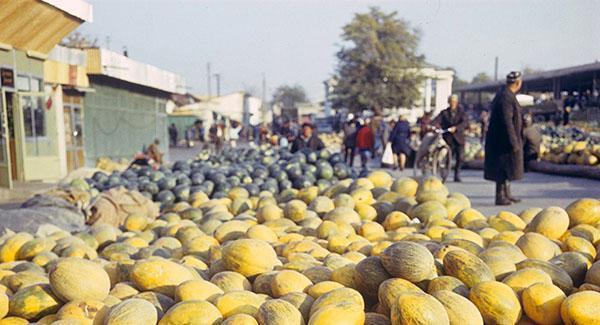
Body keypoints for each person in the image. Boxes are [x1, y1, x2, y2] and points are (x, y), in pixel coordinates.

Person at [484, 71, 524, 206]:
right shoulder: (506, 97)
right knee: (502, 170)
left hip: (501, 140)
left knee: (507, 169)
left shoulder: (505, 94)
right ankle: (500, 197)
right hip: (503, 141)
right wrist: (513, 141)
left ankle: (507, 194)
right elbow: (507, 121)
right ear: (518, 83)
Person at [433, 94, 468, 182]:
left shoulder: (462, 112)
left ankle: (457, 174)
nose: (453, 103)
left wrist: (456, 128)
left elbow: (465, 122)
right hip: (448, 138)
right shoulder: (444, 113)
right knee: (448, 156)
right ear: (449, 102)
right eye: (451, 102)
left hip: (459, 138)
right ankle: (444, 172)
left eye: (454, 102)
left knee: (460, 158)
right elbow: (436, 120)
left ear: (457, 102)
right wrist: (435, 126)